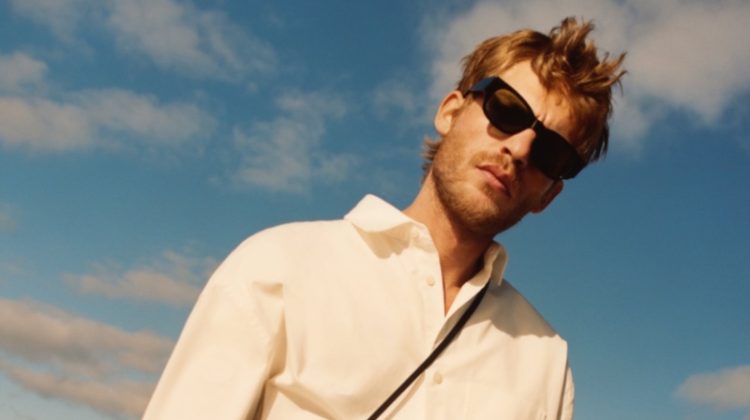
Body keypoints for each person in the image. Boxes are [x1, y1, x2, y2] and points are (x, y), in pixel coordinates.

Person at [144, 16, 625, 420]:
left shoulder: (545, 360)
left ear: (550, 194)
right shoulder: (278, 268)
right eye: (507, 110)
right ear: (450, 112)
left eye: (551, 152)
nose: (519, 149)